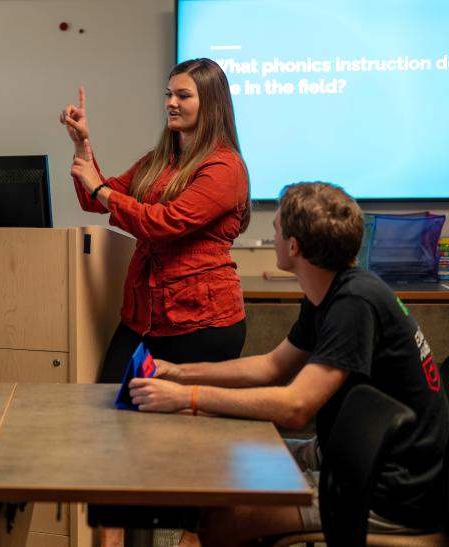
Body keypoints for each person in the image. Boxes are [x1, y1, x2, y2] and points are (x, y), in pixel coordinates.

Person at [129, 182, 448, 544]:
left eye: (277, 227)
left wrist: (188, 398)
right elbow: (271, 367)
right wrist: (177, 373)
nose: (274, 233)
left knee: (220, 516)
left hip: (388, 492)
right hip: (349, 456)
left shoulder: (354, 303)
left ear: (294, 246)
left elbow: (296, 406)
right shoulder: (331, 289)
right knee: (221, 461)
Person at [61, 58, 251, 383]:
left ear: (211, 103)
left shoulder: (225, 167)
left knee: (180, 429)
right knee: (108, 403)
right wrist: (82, 147)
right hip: (143, 318)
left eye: (183, 95)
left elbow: (163, 224)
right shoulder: (158, 159)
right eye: (169, 94)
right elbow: (96, 200)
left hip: (202, 322)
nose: (171, 103)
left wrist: (100, 188)